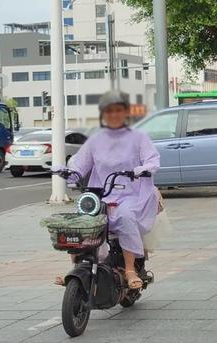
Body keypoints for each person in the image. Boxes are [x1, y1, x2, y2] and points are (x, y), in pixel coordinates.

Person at [56, 90, 160, 289]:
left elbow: (152, 160)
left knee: (126, 216)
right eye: (109, 111)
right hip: (101, 194)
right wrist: (69, 173)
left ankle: (130, 270)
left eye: (118, 110)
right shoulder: (95, 140)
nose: (113, 115)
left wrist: (141, 170)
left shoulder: (139, 138)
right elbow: (80, 165)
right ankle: (76, 268)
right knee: (81, 222)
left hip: (131, 194)